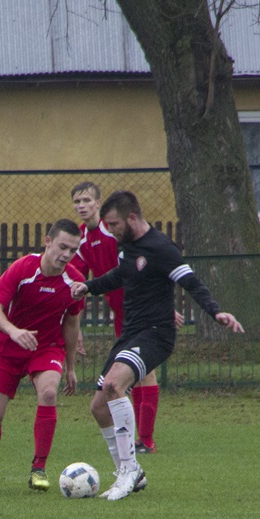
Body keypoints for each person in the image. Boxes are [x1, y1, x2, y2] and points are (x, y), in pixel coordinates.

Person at [69, 190, 244, 501]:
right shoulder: (126, 246)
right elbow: (120, 275)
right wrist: (89, 287)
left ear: (131, 218)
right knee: (98, 407)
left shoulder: (162, 248)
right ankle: (130, 472)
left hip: (156, 333)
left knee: (113, 386)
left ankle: (129, 469)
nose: (110, 229)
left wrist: (216, 311)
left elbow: (191, 282)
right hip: (130, 332)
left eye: (114, 224)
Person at [0, 219, 84, 493]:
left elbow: (71, 323)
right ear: (48, 242)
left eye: (73, 250)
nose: (66, 254)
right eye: (62, 247)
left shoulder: (75, 281)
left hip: (46, 347)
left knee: (49, 393)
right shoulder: (23, 268)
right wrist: (14, 331)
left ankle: (38, 469)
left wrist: (70, 367)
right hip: (8, 347)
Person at [69, 181, 164, 454]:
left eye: (87, 200)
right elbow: (77, 281)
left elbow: (145, 261)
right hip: (120, 311)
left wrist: (160, 302)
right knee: (135, 373)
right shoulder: (81, 239)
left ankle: (146, 439)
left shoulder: (113, 231)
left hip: (140, 307)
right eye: (77, 202)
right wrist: (75, 326)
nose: (82, 206)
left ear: (98, 203)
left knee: (144, 371)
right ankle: (140, 439)